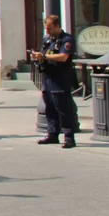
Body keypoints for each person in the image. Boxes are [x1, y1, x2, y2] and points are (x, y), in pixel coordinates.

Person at [31, 14, 79, 149]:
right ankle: (52, 134)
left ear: (57, 26)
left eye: (50, 28)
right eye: (46, 29)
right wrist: (37, 57)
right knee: (50, 107)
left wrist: (44, 56)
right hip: (48, 76)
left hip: (60, 77)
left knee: (63, 108)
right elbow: (44, 54)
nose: (47, 32)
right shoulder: (48, 40)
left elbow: (63, 57)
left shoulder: (67, 39)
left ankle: (69, 137)